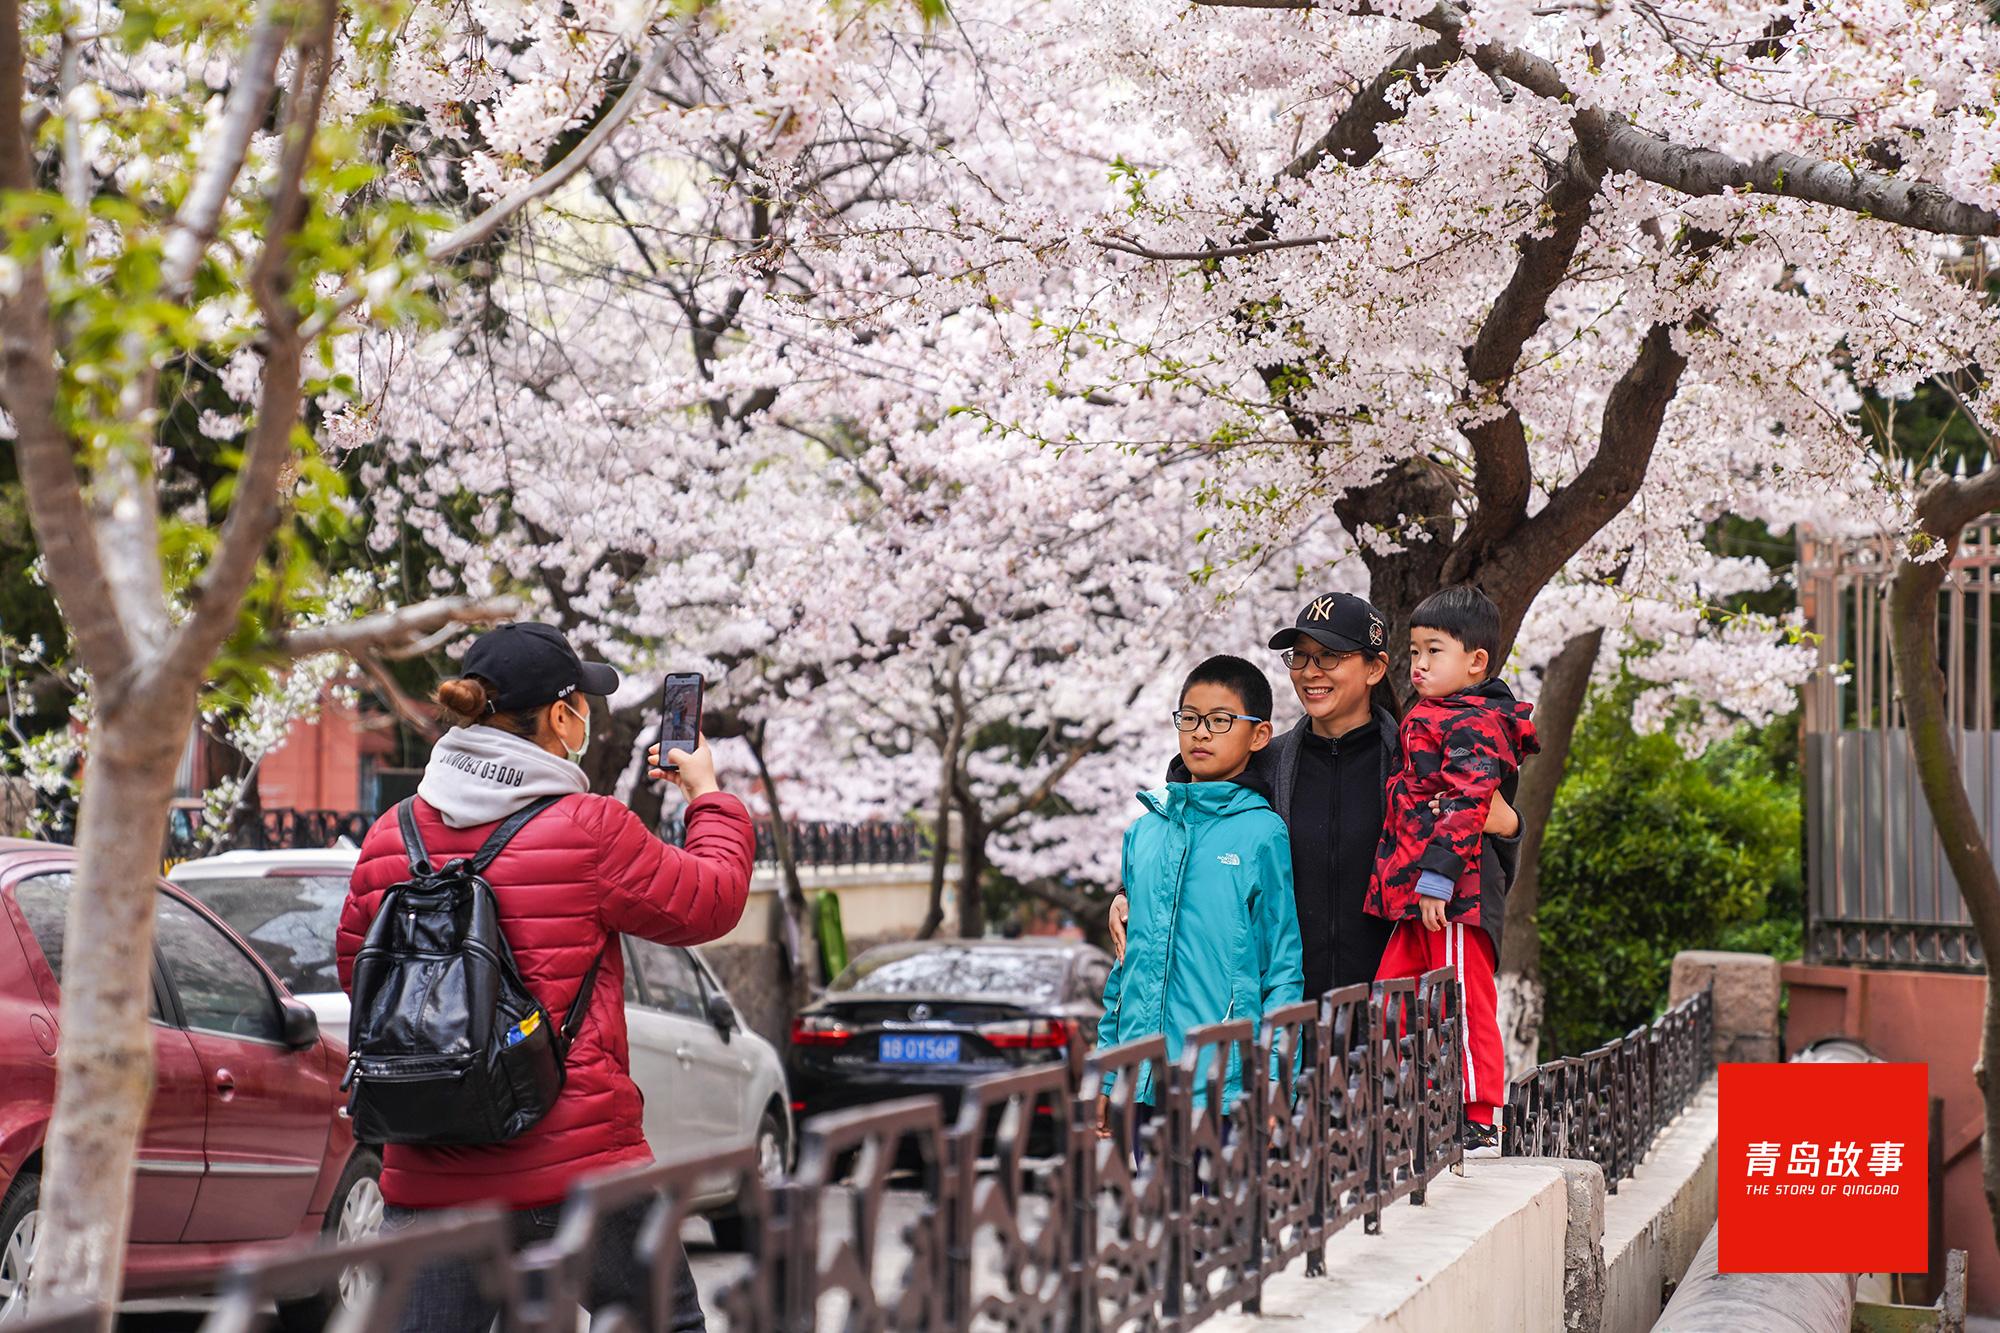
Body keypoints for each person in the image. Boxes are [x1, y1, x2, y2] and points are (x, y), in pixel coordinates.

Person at [336, 623, 754, 1332]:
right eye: (580, 704)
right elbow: (711, 898)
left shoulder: (392, 833)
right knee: (666, 1320)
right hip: (575, 1166)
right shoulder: (589, 827)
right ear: (561, 716)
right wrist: (706, 793)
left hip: (432, 1173)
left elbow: (360, 973)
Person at [1106, 592, 1519, 1000]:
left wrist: (1511, 828)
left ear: (1375, 669)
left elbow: (1478, 862)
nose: (1309, 672)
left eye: (1329, 657)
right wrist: (1128, 895)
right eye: (1300, 657)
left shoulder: (1416, 763)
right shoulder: (1266, 763)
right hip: (1284, 1015)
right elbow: (1193, 817)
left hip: (1391, 1016)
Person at [1093, 655, 1303, 1135]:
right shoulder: (1143, 832)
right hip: (1143, 1081)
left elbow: (1282, 967)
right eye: (1189, 718)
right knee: (1152, 1209)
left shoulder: (1262, 834)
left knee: (1219, 1212)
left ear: (1259, 736)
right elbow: (1126, 969)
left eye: (1220, 721)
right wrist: (1107, 1075)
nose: (1200, 733)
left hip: (1225, 1088)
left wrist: (1275, 1081)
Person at [1367, 586, 1540, 1149]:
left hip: (1456, 895)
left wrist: (1437, 879)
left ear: (1476, 661)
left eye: (1432, 651)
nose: (1417, 664)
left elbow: (1470, 803)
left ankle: (1480, 1112)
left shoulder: (1474, 721)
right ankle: (1401, 1096)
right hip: (1422, 895)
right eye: (1413, 652)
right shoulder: (1434, 713)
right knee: (1391, 996)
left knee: (1462, 1000)